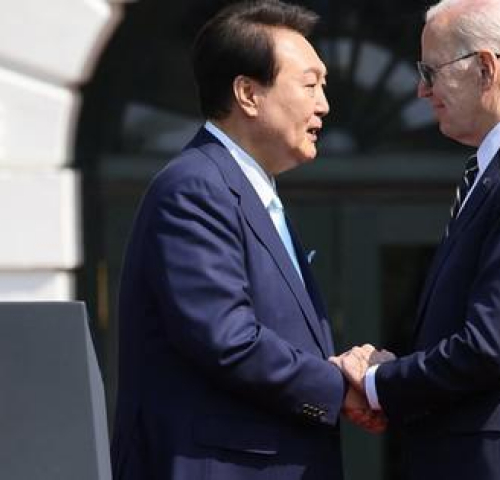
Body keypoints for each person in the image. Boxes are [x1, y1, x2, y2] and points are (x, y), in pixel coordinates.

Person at [110, 2, 382, 479]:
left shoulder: (246, 191)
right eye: (310, 85)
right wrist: (342, 386)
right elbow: (228, 340)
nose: (324, 105)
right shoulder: (195, 188)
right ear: (248, 94)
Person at [331, 0, 500, 479]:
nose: (421, 89)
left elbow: (490, 347)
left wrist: (378, 382)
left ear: (486, 68)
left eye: (430, 71)